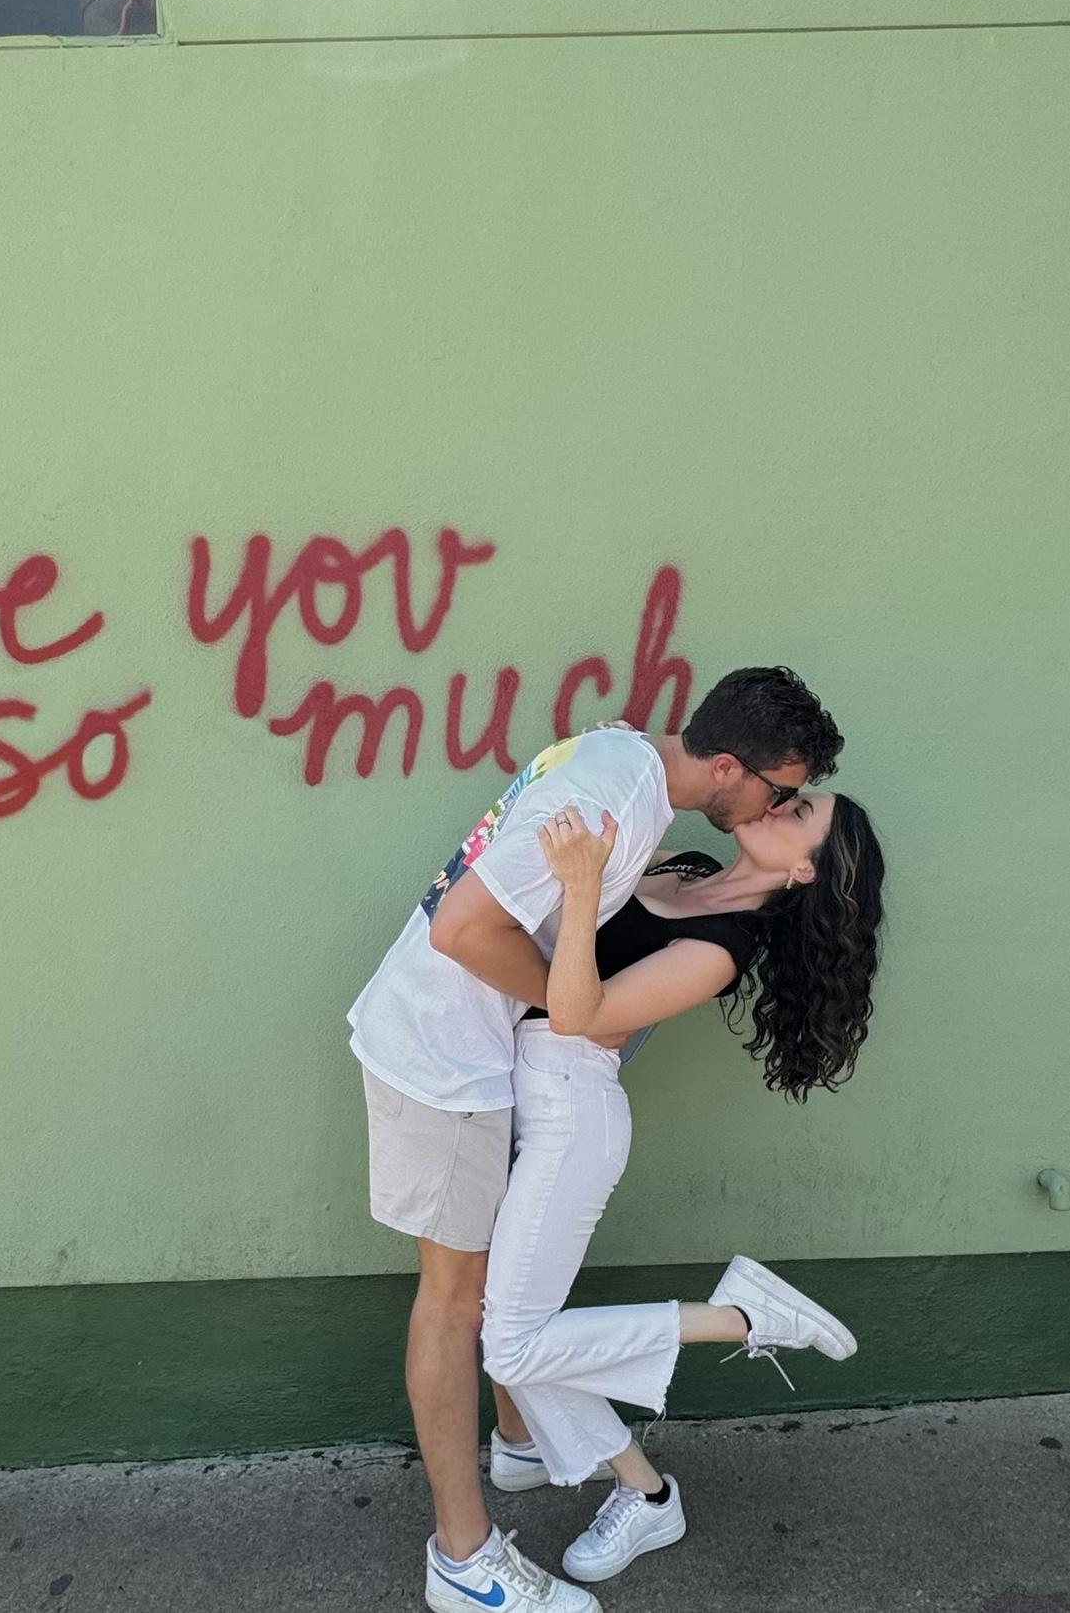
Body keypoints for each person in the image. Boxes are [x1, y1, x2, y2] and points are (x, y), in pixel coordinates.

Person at [348, 667, 844, 1613]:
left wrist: (578, 945)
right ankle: (465, 1559)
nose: (780, 807)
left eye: (795, 808)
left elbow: (587, 990)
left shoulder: (638, 794)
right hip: (450, 1058)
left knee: (498, 1316)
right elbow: (468, 932)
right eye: (783, 791)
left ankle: (530, 1449)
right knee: (462, 1310)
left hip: (523, 1082)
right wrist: (569, 986)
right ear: (729, 768)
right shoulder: (635, 800)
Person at [479, 791, 885, 1588]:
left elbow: (583, 1014)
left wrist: (584, 886)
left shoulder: (723, 946)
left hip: (570, 1114)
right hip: (510, 1088)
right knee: (510, 1320)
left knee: (513, 1341)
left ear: (805, 870)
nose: (777, 804)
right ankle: (535, 1447)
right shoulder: (687, 867)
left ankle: (735, 1335)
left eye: (798, 811)